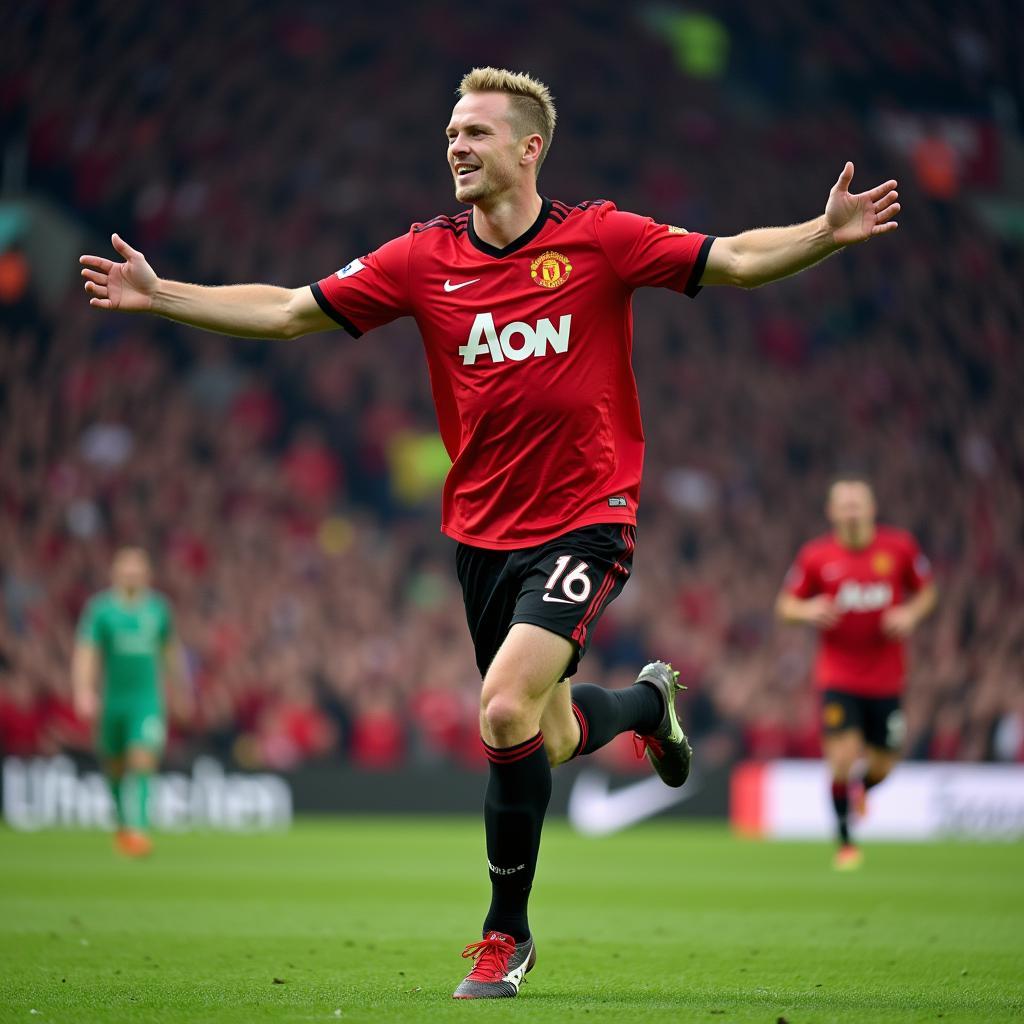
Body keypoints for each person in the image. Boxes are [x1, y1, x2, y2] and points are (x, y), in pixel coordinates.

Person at [80, 67, 901, 995]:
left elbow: (737, 258)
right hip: (481, 537)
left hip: (588, 520)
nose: (456, 147)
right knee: (543, 736)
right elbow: (287, 310)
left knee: (503, 709)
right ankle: (645, 707)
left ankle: (505, 935)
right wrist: (163, 295)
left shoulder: (598, 238)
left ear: (528, 147)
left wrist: (824, 235)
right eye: (450, 134)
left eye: (475, 132)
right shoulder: (421, 258)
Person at [776, 476, 936, 870]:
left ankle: (862, 791)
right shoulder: (816, 557)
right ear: (831, 512)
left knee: (884, 763)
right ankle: (846, 841)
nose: (851, 511)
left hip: (887, 678)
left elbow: (927, 591)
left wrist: (910, 614)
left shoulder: (899, 548)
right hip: (838, 677)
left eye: (857, 504)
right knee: (842, 758)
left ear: (871, 509)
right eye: (843, 505)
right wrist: (808, 610)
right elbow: (785, 606)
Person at [72, 547, 185, 857]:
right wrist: (83, 690)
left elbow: (171, 653)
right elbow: (86, 652)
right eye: (126, 570)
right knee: (115, 766)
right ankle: (124, 823)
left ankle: (138, 830)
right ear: (115, 574)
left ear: (147, 574)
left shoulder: (159, 610)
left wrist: (181, 691)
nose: (132, 575)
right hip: (113, 702)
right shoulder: (101, 610)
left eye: (137, 570)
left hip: (147, 701)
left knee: (142, 758)